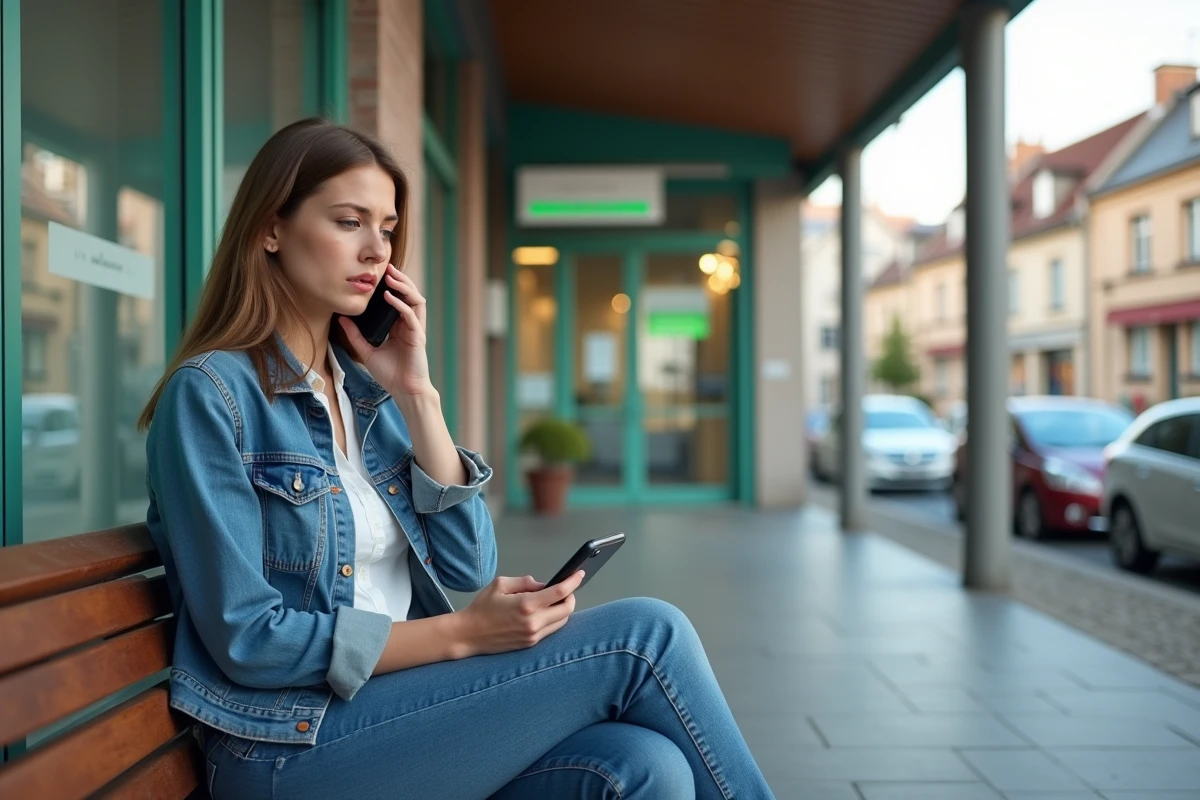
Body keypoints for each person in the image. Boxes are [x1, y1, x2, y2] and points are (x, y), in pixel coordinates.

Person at [139, 118, 773, 800]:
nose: (374, 251)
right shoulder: (211, 396)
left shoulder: (366, 397)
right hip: (285, 745)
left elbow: (468, 564)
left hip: (394, 711)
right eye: (349, 221)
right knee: (644, 634)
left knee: (646, 766)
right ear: (271, 229)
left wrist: (418, 393)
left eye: (385, 229)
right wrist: (463, 636)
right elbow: (250, 639)